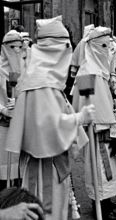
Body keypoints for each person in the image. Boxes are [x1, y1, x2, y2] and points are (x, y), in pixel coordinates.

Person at [5, 16, 95, 220]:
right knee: (47, 211)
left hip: (48, 163)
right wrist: (79, 118)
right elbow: (49, 127)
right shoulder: (41, 82)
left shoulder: (41, 77)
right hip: (45, 166)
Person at [72, 26, 116, 220]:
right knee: (100, 169)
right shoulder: (87, 72)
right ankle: (101, 208)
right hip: (97, 130)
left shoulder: (98, 69)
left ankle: (107, 200)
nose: (106, 51)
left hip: (106, 127)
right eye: (103, 46)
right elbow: (84, 103)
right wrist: (95, 123)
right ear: (93, 47)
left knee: (108, 168)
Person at [0, 30, 25, 191]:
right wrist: (3, 109)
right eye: (12, 47)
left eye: (19, 46)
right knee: (4, 169)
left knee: (21, 170)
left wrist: (21, 103)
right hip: (2, 127)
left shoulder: (26, 69)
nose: (16, 51)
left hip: (21, 125)